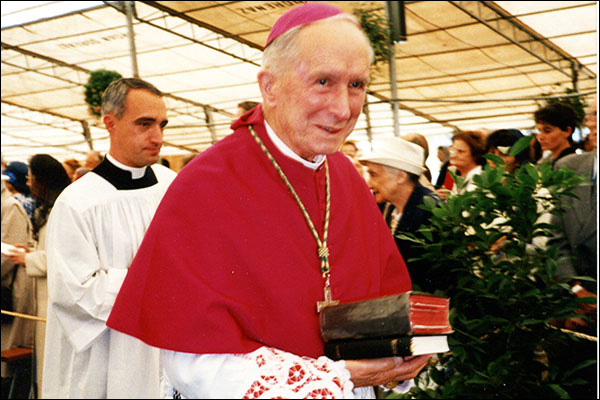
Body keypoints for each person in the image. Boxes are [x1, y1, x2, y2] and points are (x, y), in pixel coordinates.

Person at [107, 4, 430, 398]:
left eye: (357, 85)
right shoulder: (207, 184)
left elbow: (382, 310)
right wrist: (334, 378)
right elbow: (193, 364)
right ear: (270, 86)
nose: (343, 108)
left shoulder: (346, 176)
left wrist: (394, 359)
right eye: (323, 81)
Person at [42, 78, 177, 398]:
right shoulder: (78, 201)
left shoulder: (173, 185)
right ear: (110, 123)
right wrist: (157, 280)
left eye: (162, 125)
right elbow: (74, 292)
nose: (157, 137)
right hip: (105, 353)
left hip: (164, 346)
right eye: (144, 124)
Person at [6, 154, 71, 395]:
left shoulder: (62, 210)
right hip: (43, 297)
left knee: (52, 365)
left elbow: (64, 257)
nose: (28, 183)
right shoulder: (46, 209)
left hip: (55, 299)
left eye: (31, 178)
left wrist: (29, 259)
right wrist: (30, 252)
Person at [548, 99, 597, 399]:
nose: (594, 123)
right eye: (593, 115)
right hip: (573, 302)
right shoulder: (569, 167)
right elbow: (554, 237)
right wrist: (576, 290)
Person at [360, 137, 440, 293]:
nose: (369, 184)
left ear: (401, 176)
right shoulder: (391, 208)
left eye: (374, 175)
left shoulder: (430, 211)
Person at [435, 130, 486, 200]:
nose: (453, 155)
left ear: (475, 154)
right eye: (452, 150)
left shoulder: (478, 180)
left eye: (461, 151)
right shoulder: (460, 178)